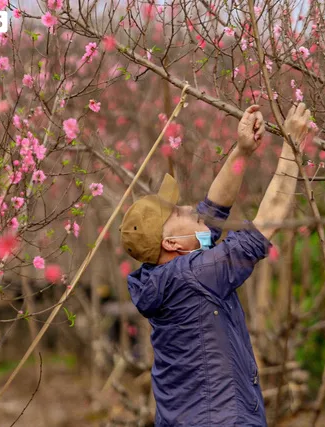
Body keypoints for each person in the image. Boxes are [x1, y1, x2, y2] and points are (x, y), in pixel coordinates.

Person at [119, 103, 311, 426]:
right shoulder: (196, 274)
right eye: (177, 213)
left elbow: (212, 212)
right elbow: (263, 226)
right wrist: (292, 150)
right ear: (172, 244)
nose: (187, 207)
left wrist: (241, 151)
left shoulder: (163, 274)